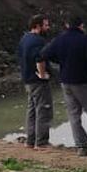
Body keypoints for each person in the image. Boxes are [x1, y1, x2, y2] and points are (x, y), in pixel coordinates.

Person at [38, 13, 87, 157]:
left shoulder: (59, 39)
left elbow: (43, 54)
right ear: (81, 25)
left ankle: (81, 147)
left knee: (74, 115)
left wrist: (60, 61)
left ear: (66, 25)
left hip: (66, 82)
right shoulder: (85, 40)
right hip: (85, 83)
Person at [17, 14, 53, 149]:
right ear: (37, 26)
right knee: (43, 110)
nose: (48, 27)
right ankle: (42, 142)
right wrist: (42, 75)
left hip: (27, 79)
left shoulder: (24, 39)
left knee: (32, 110)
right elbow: (40, 59)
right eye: (46, 25)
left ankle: (30, 141)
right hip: (38, 81)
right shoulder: (38, 41)